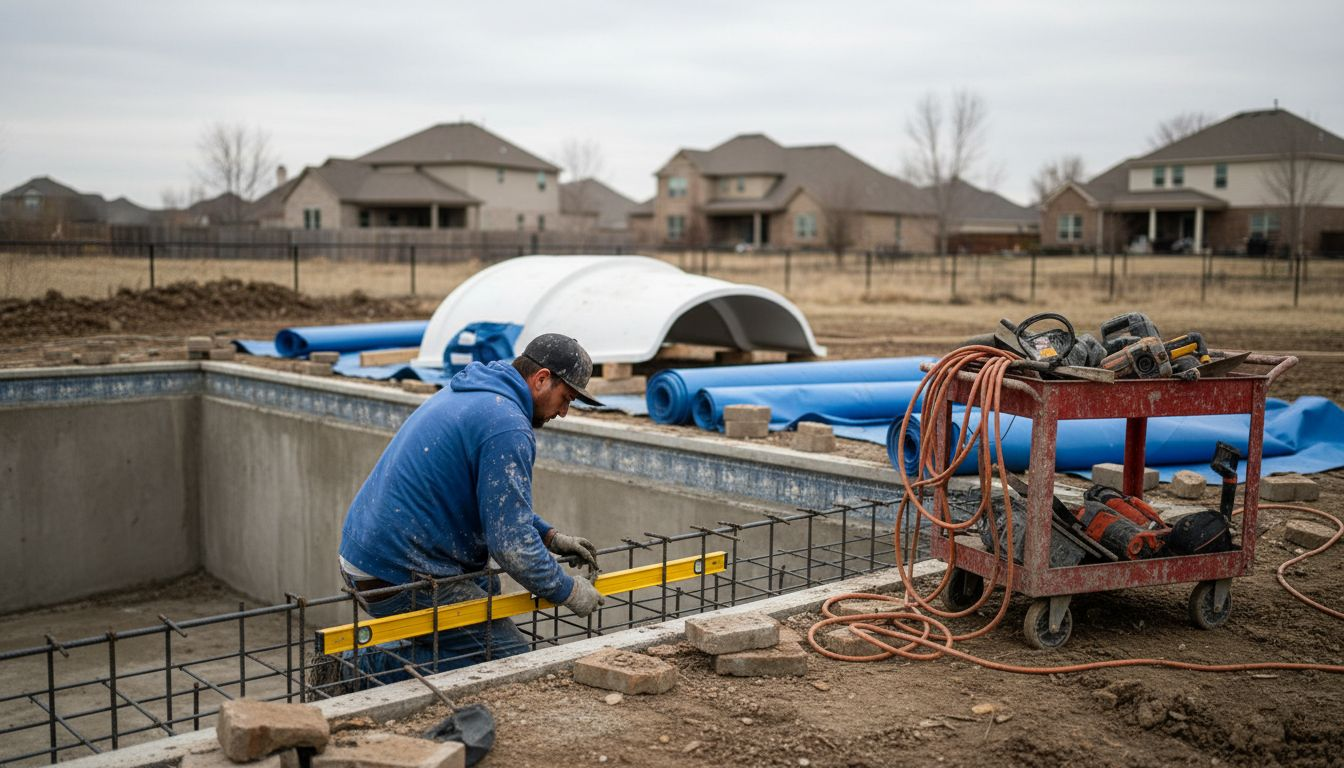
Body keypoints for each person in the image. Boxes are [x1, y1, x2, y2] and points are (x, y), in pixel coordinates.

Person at [317, 333, 606, 692]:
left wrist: (549, 536)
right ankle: (355, 670)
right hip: (395, 574)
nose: (563, 412)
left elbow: (493, 501)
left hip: (374, 554)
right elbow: (511, 544)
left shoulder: (478, 393)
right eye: (566, 399)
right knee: (507, 663)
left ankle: (416, 653)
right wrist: (567, 591)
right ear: (542, 379)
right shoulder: (507, 426)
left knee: (488, 589)